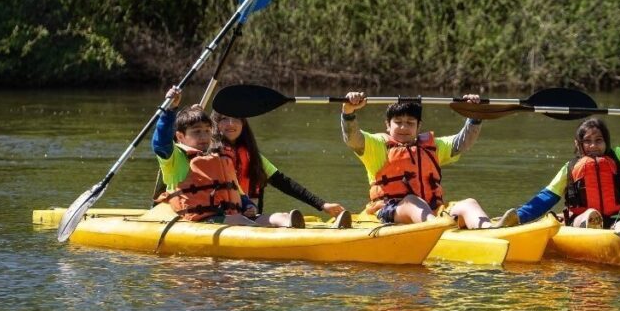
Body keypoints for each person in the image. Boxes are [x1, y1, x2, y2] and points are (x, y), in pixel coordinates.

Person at [340, 91, 515, 229]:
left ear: (418, 126)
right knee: (412, 202)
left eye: (410, 123)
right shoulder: (377, 146)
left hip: (432, 211)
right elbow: (352, 138)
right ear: (388, 124)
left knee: (469, 203)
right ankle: (436, 228)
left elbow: (462, 143)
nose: (403, 127)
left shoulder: (432, 147)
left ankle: (490, 230)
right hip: (389, 211)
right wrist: (348, 112)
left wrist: (474, 115)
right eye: (398, 122)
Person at [151, 86, 304, 228]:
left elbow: (236, 191)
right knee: (239, 220)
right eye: (196, 132)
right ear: (180, 136)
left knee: (278, 217)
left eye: (207, 131)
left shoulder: (219, 158)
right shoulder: (175, 158)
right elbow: (161, 142)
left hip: (230, 217)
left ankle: (287, 223)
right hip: (202, 220)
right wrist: (170, 110)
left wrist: (247, 205)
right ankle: (265, 235)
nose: (203, 136)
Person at [511, 108, 620, 232]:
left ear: (606, 142)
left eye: (598, 140)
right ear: (578, 144)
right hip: (583, 220)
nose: (593, 146)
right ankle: (604, 226)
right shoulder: (570, 168)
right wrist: (519, 217)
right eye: (587, 141)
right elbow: (545, 198)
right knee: (587, 217)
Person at [211, 111, 352, 228]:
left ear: (243, 124)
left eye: (236, 118)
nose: (231, 123)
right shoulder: (206, 155)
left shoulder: (253, 157)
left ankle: (316, 230)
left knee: (282, 217)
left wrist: (322, 205)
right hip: (221, 219)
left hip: (251, 217)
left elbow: (285, 184)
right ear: (214, 124)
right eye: (224, 119)